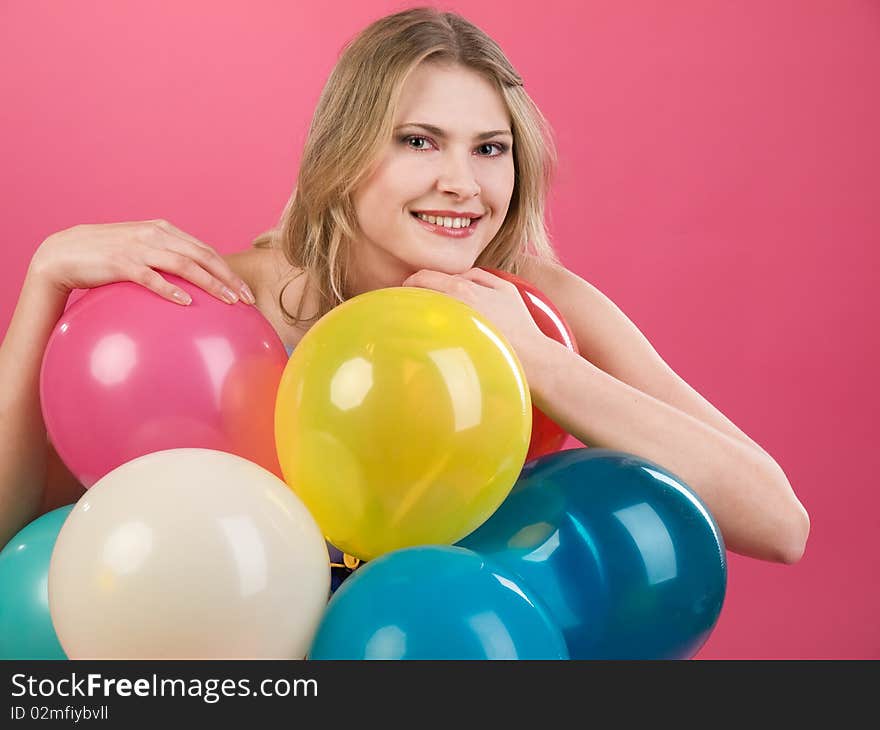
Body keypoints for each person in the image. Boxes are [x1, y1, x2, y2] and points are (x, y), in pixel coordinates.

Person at [0, 7, 809, 563]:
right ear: (342, 154)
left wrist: (543, 365)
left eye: (490, 149)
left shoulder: (540, 305)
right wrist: (42, 286)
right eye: (421, 141)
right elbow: (18, 535)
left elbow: (778, 522)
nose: (462, 182)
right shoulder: (215, 307)